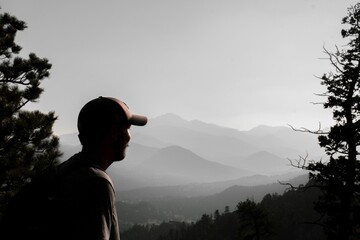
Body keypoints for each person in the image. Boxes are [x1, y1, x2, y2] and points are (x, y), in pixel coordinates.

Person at [53, 96, 147, 240]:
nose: (129, 137)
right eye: (128, 129)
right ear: (115, 132)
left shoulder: (65, 170)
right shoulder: (96, 182)